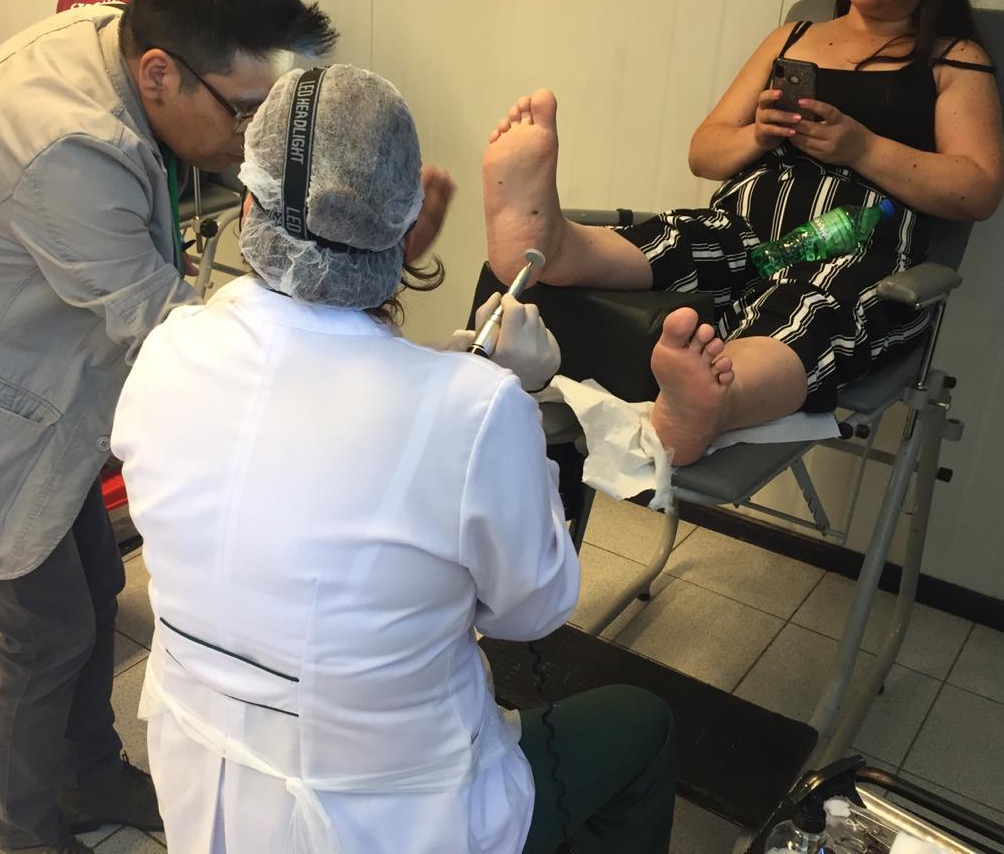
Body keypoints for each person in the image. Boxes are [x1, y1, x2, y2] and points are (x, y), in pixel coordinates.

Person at [0, 0, 347, 854]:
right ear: (161, 74)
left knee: (98, 584)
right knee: (48, 629)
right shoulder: (71, 143)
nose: (252, 137)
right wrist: (337, 369)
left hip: (19, 366)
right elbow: (165, 331)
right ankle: (22, 837)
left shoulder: (117, 38)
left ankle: (90, 774)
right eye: (244, 110)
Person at [111, 64, 676, 854]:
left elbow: (309, 418)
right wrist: (521, 398)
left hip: (208, 793)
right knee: (642, 724)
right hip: (397, 820)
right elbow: (530, 611)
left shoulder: (169, 351)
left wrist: (451, 380)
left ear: (245, 206)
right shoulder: (474, 413)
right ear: (403, 231)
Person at [482, 0, 1004, 466]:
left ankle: (713, 402)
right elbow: (705, 153)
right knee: (683, 239)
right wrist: (759, 133)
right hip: (748, 222)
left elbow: (978, 189)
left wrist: (862, 147)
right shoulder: (793, 38)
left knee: (814, 305)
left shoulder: (953, 60)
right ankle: (553, 244)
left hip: (858, 243)